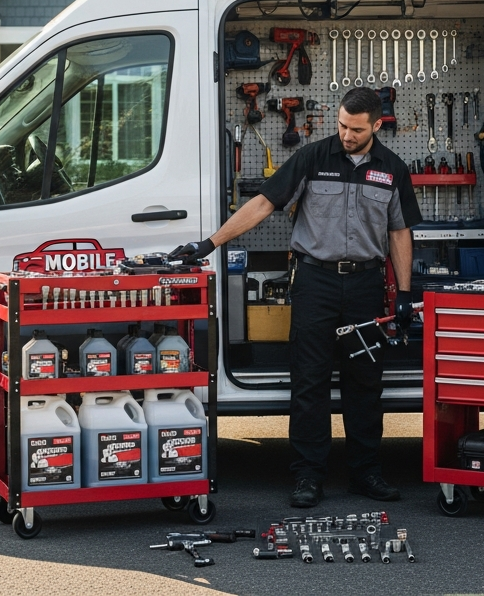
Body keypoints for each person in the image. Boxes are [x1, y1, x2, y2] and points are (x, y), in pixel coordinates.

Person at [170, 88, 422, 508]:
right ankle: (308, 476)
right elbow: (264, 204)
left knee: (365, 384)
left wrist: (405, 293)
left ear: (377, 126)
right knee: (309, 382)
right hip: (314, 282)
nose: (346, 134)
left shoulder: (393, 169)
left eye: (356, 129)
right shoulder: (312, 158)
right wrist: (209, 243)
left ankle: (365, 473)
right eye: (341, 125)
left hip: (364, 285)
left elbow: (399, 231)